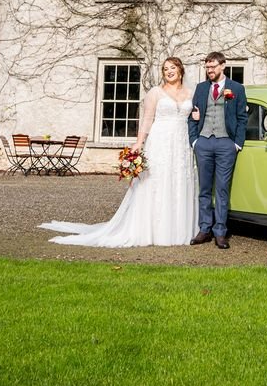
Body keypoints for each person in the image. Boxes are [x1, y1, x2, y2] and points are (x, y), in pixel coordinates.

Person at [40, 56, 198, 247]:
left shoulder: (192, 92)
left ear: (181, 70)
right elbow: (147, 119)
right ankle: (154, 230)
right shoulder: (156, 92)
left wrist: (196, 116)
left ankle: (179, 229)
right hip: (161, 141)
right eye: (165, 69)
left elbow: (196, 116)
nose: (169, 71)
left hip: (182, 143)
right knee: (158, 181)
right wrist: (139, 143)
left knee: (180, 180)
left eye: (172, 67)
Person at [187, 51, 247, 249]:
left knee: (222, 189)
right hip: (203, 142)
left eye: (212, 67)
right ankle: (204, 229)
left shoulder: (237, 88)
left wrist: (236, 143)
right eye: (207, 67)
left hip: (225, 144)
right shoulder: (201, 88)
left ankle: (220, 232)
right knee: (204, 189)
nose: (209, 70)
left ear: (223, 66)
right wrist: (195, 141)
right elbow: (193, 114)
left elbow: (242, 118)